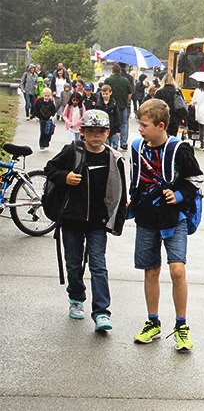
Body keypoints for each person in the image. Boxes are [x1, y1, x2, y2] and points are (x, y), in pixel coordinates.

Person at [129, 99, 203, 351]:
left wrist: (178, 195)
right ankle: (153, 322)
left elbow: (195, 180)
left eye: (144, 124)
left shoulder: (179, 149)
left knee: (177, 270)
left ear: (160, 126)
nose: (139, 129)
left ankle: (181, 325)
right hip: (147, 218)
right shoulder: (137, 148)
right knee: (151, 270)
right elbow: (135, 180)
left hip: (174, 219)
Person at [44, 110, 127, 332]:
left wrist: (117, 223)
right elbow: (49, 169)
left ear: (108, 133)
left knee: (98, 265)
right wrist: (65, 177)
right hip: (71, 221)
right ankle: (76, 298)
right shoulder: (72, 152)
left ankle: (101, 312)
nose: (96, 137)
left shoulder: (113, 158)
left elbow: (121, 193)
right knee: (73, 263)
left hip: (97, 224)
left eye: (100, 132)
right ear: (82, 132)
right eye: (91, 132)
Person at [104, 64, 133, 150]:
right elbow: (130, 93)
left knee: (113, 123)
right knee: (124, 123)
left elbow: (104, 90)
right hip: (122, 105)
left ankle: (114, 143)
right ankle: (124, 142)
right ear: (120, 72)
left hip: (111, 105)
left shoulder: (108, 80)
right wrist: (127, 101)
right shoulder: (125, 80)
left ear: (112, 71)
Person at [155, 73, 185, 137]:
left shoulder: (159, 92)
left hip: (162, 117)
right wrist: (182, 117)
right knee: (173, 137)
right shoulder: (177, 91)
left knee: (162, 136)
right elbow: (181, 104)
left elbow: (155, 106)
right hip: (175, 117)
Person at [96, 84, 121, 149]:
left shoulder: (114, 104)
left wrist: (118, 129)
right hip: (101, 126)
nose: (105, 96)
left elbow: (117, 116)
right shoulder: (99, 103)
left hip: (110, 126)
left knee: (109, 141)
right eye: (103, 94)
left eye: (106, 94)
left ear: (110, 93)